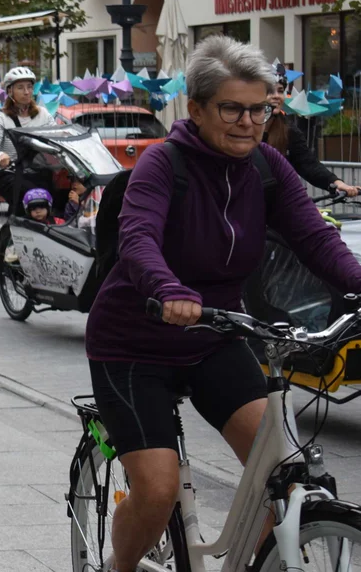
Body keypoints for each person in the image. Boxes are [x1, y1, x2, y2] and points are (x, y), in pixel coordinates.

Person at [86, 36, 361, 572]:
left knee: (285, 473)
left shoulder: (269, 168)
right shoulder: (163, 165)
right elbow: (138, 239)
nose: (247, 121)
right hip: (134, 342)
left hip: (216, 336)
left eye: (259, 108)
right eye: (232, 108)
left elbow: (317, 241)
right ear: (197, 108)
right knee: (159, 487)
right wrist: (169, 292)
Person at [264, 67, 359, 197]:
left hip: (278, 204)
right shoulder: (243, 126)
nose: (276, 96)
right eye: (269, 91)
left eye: (280, 91)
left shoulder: (288, 130)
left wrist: (337, 183)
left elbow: (308, 164)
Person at [0, 66, 55, 214]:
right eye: (20, 88)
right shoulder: (1, 117)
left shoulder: (43, 114)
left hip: (39, 172)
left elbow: (56, 139)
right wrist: (0, 156)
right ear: (10, 91)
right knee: (32, 197)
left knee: (59, 198)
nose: (27, 92)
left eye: (29, 87)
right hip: (11, 174)